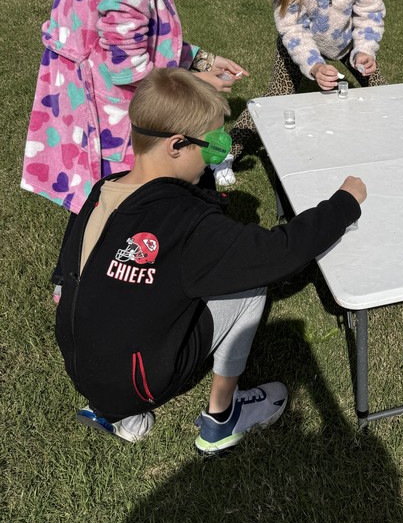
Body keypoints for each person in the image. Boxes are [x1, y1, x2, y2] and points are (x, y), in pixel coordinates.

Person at [55, 68, 366, 454]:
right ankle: (223, 418)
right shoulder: (187, 223)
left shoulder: (102, 192)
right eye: (215, 144)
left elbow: (64, 282)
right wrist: (344, 204)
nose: (219, 155)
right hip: (141, 381)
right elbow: (276, 254)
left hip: (85, 372)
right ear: (177, 145)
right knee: (250, 283)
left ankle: (123, 416)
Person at [20, 0, 247, 292]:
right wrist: (199, 86)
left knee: (98, 199)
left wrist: (199, 60)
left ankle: (76, 278)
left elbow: (143, 40)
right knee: (111, 197)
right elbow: (127, 68)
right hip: (104, 114)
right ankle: (79, 282)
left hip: (92, 101)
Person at [222, 0, 386, 185]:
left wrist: (365, 49)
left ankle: (386, 148)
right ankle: (227, 153)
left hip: (349, 40)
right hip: (301, 41)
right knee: (273, 101)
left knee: (382, 93)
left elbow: (370, 10)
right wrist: (312, 64)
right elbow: (291, 23)